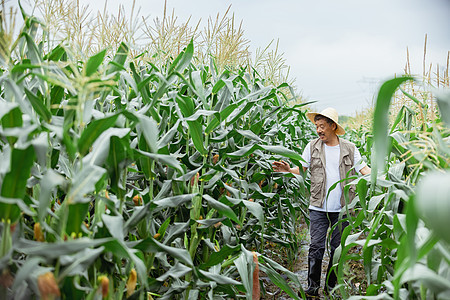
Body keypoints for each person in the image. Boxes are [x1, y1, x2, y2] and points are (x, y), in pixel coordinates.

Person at [272, 107, 371, 297]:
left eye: (322, 126)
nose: (318, 130)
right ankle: (312, 287)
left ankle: (330, 287)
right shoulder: (312, 147)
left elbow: (364, 171)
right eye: (317, 126)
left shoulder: (350, 148)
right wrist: (287, 169)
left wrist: (385, 178)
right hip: (318, 206)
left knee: (337, 249)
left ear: (333, 126)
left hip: (343, 209)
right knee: (316, 246)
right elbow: (301, 169)